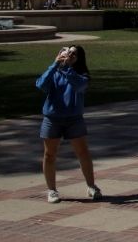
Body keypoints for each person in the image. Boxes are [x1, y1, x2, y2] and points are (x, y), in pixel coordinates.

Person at [37, 45, 101, 203]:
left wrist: (67, 68)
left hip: (74, 119)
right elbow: (41, 85)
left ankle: (91, 186)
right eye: (66, 52)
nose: (69, 55)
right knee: (49, 154)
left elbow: (79, 85)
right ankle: (52, 190)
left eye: (73, 53)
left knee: (83, 152)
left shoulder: (81, 75)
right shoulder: (54, 71)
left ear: (78, 58)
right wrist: (54, 65)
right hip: (52, 119)